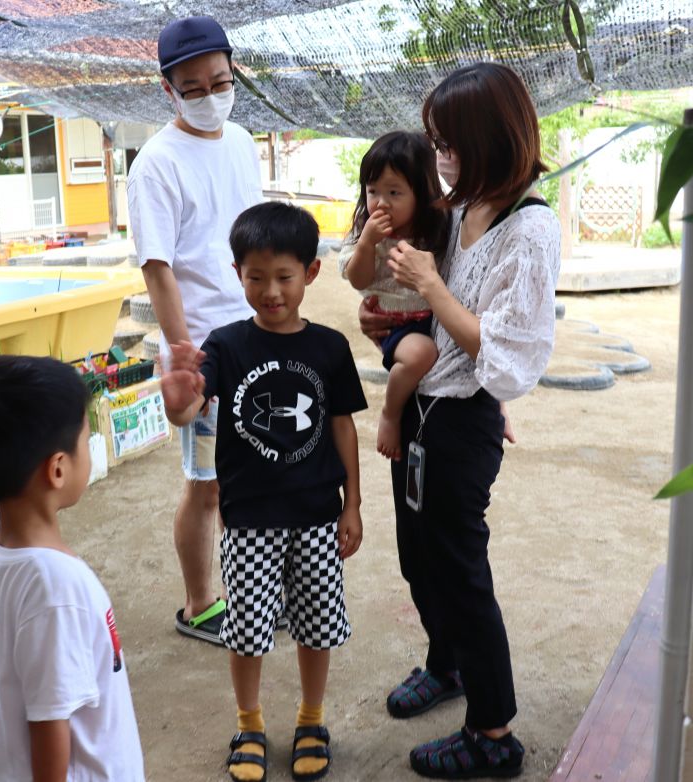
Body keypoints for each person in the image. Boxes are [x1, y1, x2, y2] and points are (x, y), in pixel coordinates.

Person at [359, 63, 561, 778]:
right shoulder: (466, 207)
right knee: (421, 558)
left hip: (460, 421)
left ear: (486, 140)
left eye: (448, 142)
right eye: (436, 142)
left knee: (460, 571)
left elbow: (506, 350)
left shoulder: (529, 229)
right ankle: (445, 664)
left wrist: (433, 288)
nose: (438, 155)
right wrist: (385, 311)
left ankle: (492, 732)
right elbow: (421, 313)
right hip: (423, 409)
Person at [161, 202, 366, 782]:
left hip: (317, 516)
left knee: (317, 623)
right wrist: (176, 394)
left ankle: (311, 718)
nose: (270, 291)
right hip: (248, 519)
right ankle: (248, 724)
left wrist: (353, 504)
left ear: (311, 273)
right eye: (255, 277)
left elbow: (343, 426)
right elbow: (189, 412)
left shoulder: (329, 348)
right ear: (237, 273)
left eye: (284, 277)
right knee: (247, 629)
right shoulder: (225, 345)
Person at [0, 355, 144, 782]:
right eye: (86, 440)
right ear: (57, 469)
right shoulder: (57, 589)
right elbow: (50, 724)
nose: (89, 448)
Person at [127, 14, 263, 645]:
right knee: (205, 486)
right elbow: (160, 270)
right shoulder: (155, 163)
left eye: (220, 81)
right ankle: (199, 604)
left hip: (253, 336)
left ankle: (255, 595)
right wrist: (185, 356)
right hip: (203, 346)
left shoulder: (240, 142)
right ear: (168, 90)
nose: (212, 96)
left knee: (258, 475)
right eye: (195, 88)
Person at [339, 131, 451, 460]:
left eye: (394, 192)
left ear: (422, 194)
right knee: (420, 354)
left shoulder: (437, 227)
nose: (381, 202)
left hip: (434, 318)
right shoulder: (366, 227)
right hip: (396, 323)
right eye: (372, 191)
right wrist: (367, 243)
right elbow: (357, 277)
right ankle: (390, 412)